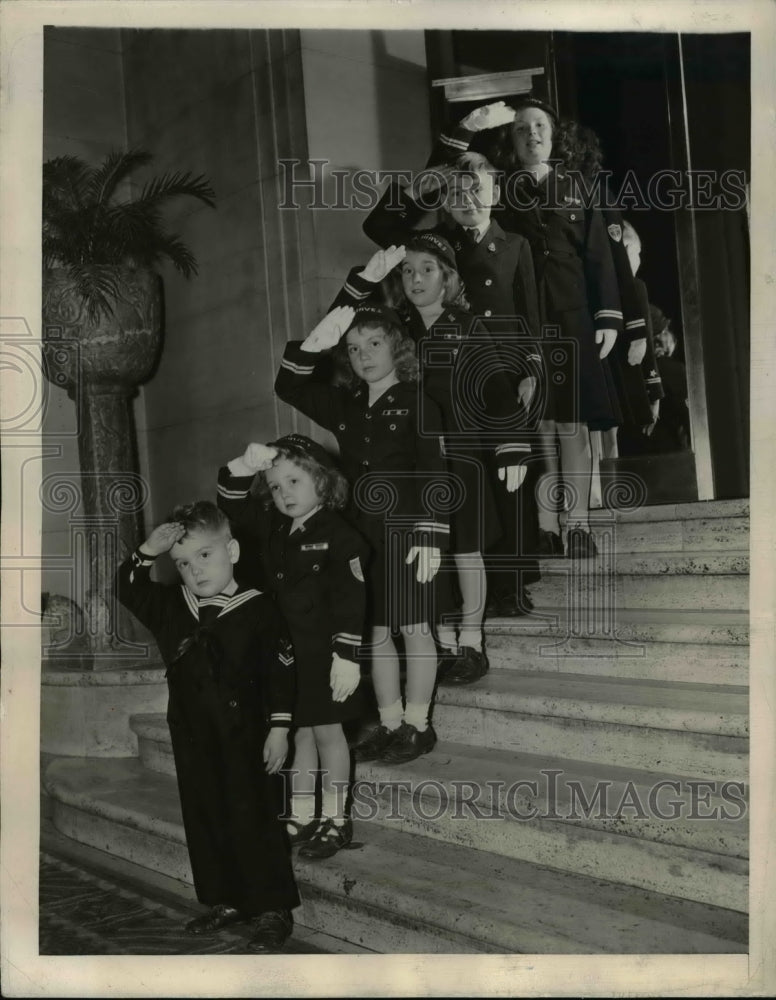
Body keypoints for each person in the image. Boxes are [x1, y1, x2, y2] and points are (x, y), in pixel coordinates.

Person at [423, 97, 625, 558]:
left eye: (540, 126)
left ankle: (577, 524)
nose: (531, 134)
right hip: (521, 326)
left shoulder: (580, 187)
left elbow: (600, 256)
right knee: (537, 424)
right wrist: (467, 128)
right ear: (511, 142)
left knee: (572, 423)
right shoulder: (498, 189)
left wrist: (609, 315)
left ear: (553, 136)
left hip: (572, 321)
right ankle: (544, 523)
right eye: (520, 129)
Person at [328, 235, 535, 680]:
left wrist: (512, 442)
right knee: (430, 556)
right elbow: (345, 322)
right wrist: (366, 277)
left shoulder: (467, 326)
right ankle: (441, 642)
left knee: (465, 549)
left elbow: (496, 388)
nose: (416, 278)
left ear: (448, 278)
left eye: (427, 269)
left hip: (461, 457)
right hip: (414, 466)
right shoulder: (395, 330)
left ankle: (471, 642)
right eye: (407, 271)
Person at [362, 151, 545, 616]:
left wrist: (530, 366)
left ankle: (511, 585)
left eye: (474, 190)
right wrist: (419, 186)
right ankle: (460, 595)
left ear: (493, 194)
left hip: (498, 374)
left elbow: (531, 315)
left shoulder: (517, 244)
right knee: (463, 489)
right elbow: (380, 229)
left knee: (508, 486)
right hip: (446, 386)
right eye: (456, 193)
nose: (466, 200)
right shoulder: (437, 244)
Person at [115, 502, 299, 953]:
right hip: (193, 732)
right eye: (181, 563)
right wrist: (146, 551)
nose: (194, 571)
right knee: (206, 815)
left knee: (254, 816)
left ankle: (272, 907)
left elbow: (280, 673)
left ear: (232, 550)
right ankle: (227, 898)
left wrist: (279, 728)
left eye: (204, 556)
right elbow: (126, 587)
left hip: (247, 733)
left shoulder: (258, 609)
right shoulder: (170, 607)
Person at [275, 304, 449, 764]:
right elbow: (287, 385)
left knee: (414, 627)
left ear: (396, 346)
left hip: (408, 529)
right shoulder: (347, 405)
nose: (364, 355)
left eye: (373, 343)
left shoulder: (417, 400)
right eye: (353, 349)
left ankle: (418, 725)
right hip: (361, 535)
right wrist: (317, 341)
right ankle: (390, 724)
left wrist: (432, 533)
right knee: (373, 631)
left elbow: (435, 469)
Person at [217, 434, 368, 860]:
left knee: (329, 735)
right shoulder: (275, 530)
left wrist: (347, 655)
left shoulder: (341, 537)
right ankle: (302, 816)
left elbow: (350, 599)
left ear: (322, 481)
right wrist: (243, 468)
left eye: (294, 482)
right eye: (277, 486)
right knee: (300, 733)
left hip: (326, 658)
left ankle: (336, 820)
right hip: (288, 658)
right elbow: (232, 505)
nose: (284, 494)